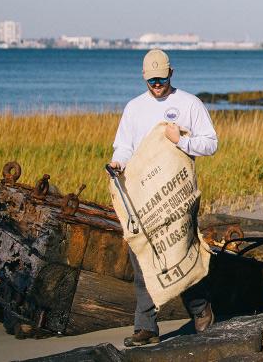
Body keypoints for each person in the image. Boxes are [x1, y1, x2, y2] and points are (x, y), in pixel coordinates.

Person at [109, 49, 218, 346]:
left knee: (179, 252)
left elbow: (210, 144)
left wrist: (180, 140)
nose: (157, 85)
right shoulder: (134, 108)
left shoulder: (189, 103)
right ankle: (146, 328)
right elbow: (124, 146)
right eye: (151, 80)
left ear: (171, 73)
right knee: (143, 259)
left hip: (178, 195)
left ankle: (201, 310)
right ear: (144, 77)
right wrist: (118, 162)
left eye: (161, 78)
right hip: (141, 198)